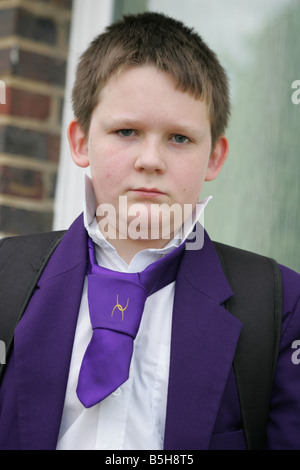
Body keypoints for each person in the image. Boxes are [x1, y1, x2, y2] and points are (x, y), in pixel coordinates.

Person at [0, 11, 299, 451]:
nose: (151, 159)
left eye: (179, 138)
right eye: (126, 131)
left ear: (215, 157)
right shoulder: (6, 279)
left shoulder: (280, 305)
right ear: (81, 142)